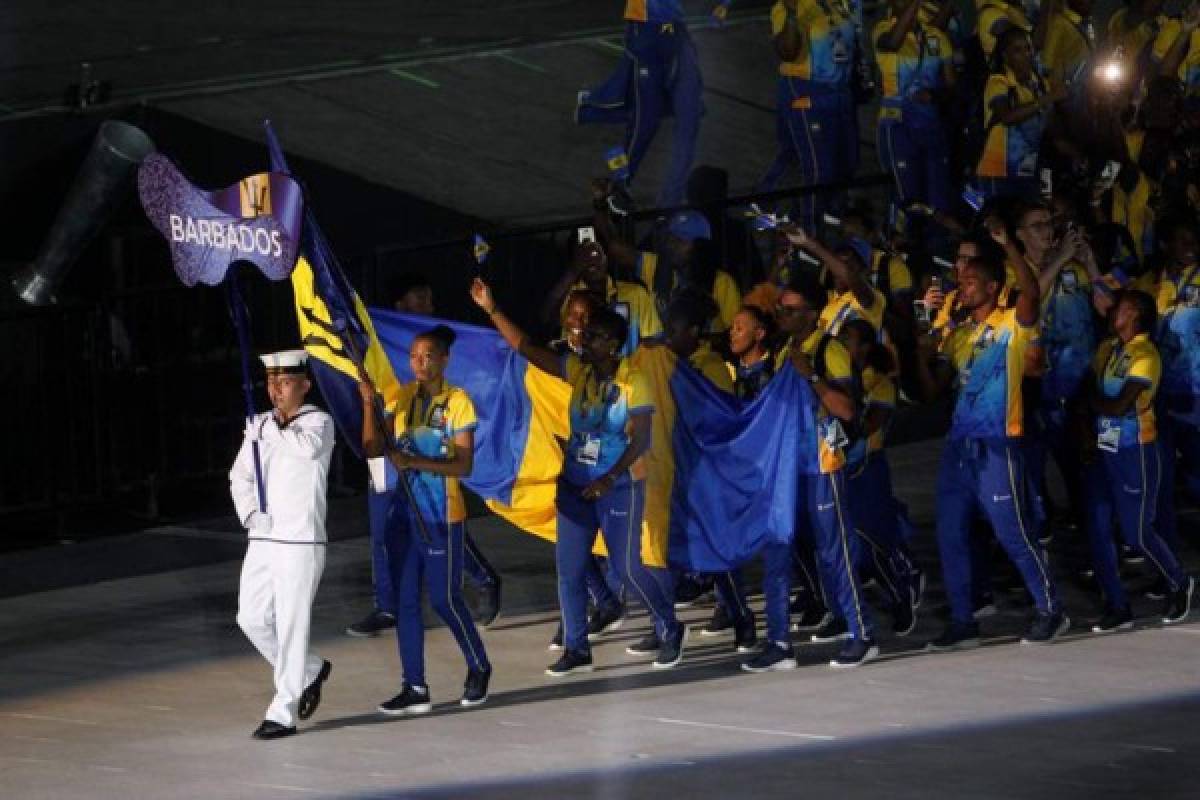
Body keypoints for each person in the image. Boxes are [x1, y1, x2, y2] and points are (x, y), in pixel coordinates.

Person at [470, 278, 688, 675]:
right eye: (584, 336)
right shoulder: (578, 372)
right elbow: (527, 349)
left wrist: (610, 477)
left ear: (612, 343)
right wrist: (491, 309)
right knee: (569, 571)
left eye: (593, 338)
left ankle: (670, 626)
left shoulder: (632, 381)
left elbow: (641, 439)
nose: (583, 342)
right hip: (574, 486)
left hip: (617, 487)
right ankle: (577, 647)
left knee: (627, 569)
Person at [915, 220, 1069, 651]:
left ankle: (1051, 609)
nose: (961, 287)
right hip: (958, 448)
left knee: (1012, 532)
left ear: (994, 285)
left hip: (999, 445)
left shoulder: (1011, 325)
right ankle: (964, 622)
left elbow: (1032, 294)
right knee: (950, 534)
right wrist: (921, 353)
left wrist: (1008, 246)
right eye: (959, 281)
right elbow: (931, 391)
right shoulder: (959, 333)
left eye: (970, 281)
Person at [347, 277, 501, 638]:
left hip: (427, 467)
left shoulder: (434, 360)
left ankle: (480, 577)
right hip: (394, 451)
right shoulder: (374, 338)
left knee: (441, 537)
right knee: (383, 534)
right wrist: (369, 403)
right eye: (419, 296)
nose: (427, 305)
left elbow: (462, 457)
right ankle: (387, 607)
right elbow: (373, 442)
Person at [743, 267, 879, 672]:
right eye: (780, 311)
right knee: (778, 554)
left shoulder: (827, 350)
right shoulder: (785, 352)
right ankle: (779, 643)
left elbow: (847, 410)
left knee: (834, 551)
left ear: (811, 314)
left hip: (823, 464)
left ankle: (863, 634)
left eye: (788, 310)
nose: (781, 317)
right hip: (787, 470)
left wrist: (812, 376)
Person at [357, 325, 492, 714]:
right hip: (404, 515)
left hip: (440, 515)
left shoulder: (458, 402)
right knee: (405, 602)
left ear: (444, 360)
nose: (419, 362)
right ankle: (414, 686)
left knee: (445, 599)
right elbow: (372, 447)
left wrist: (414, 461)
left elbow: (464, 465)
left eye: (428, 355)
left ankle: (479, 666)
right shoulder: (401, 398)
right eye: (414, 356)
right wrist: (369, 405)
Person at [231, 350, 335, 740]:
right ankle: (309, 670)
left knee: (293, 625)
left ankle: (284, 709)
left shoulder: (319, 423)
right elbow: (238, 477)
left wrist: (265, 430)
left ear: (304, 385)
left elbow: (304, 449)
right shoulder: (259, 426)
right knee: (251, 618)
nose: (275, 389)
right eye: (271, 382)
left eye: (285, 381)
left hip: (300, 540)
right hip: (263, 538)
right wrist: (250, 515)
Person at [1083, 289, 1194, 631]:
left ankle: (1178, 581)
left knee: (1136, 533)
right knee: (1098, 529)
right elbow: (1092, 392)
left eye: (1123, 308)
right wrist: (1093, 406)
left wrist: (1093, 401)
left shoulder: (1146, 355)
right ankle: (1117, 605)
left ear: (1136, 315)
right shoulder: (1109, 349)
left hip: (1136, 451)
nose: (1116, 311)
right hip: (1105, 448)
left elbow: (1119, 406)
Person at [661, 291, 758, 653]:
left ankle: (740, 615)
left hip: (706, 473)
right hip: (674, 468)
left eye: (677, 330)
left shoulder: (710, 366)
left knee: (717, 547)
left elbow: (718, 418)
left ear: (695, 331)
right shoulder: (665, 363)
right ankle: (663, 624)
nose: (670, 337)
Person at [575, 0, 711, 207]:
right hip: (647, 32)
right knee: (647, 119)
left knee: (688, 120)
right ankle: (621, 181)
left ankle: (670, 198)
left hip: (675, 32)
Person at [839, 318, 921, 633]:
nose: (842, 344)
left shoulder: (880, 383)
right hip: (844, 468)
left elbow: (867, 425)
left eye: (849, 339)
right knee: (854, 545)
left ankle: (903, 594)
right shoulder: (846, 378)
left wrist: (844, 409)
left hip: (869, 469)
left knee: (875, 541)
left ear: (865, 347)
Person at [759, 0, 859, 230]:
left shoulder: (837, 5)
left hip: (838, 91)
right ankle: (808, 232)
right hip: (805, 87)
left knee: (842, 162)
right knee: (816, 167)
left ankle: (785, 209)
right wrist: (793, 15)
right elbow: (787, 52)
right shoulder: (788, 7)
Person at [874, 0, 956, 214]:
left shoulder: (936, 36)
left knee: (937, 195)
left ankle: (935, 241)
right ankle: (903, 242)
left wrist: (935, 95)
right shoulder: (882, 29)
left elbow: (952, 85)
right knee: (905, 195)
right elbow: (891, 43)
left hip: (930, 124)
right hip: (897, 124)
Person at [975, 28, 1067, 200]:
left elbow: (1051, 126)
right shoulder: (998, 81)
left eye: (1028, 48)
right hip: (998, 169)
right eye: (1017, 50)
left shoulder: (1039, 83)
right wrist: (1046, 99)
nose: (1026, 55)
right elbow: (1006, 117)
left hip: (1029, 167)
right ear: (1005, 56)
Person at [542, 238, 662, 357]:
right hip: (580, 372)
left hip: (628, 372)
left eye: (596, 254)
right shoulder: (569, 296)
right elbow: (546, 317)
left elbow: (652, 341)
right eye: (583, 257)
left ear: (606, 258)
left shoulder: (635, 293)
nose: (591, 261)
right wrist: (573, 272)